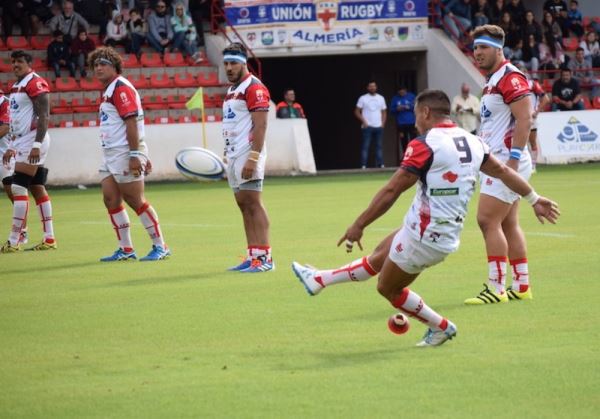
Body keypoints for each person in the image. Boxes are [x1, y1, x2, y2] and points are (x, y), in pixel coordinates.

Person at [291, 90, 559, 347]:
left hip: (425, 237)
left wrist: (359, 225)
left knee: (388, 289)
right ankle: (319, 280)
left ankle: (441, 327)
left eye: (417, 114)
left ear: (426, 112)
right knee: (378, 257)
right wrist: (534, 198)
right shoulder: (473, 141)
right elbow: (502, 172)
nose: (415, 121)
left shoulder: (425, 144)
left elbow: (392, 190)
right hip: (431, 229)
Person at [466, 24, 536, 305]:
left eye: (483, 47)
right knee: (508, 223)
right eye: (475, 48)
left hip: (507, 161)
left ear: (498, 49)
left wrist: (514, 159)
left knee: (486, 220)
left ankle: (496, 289)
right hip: (497, 161)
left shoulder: (510, 77)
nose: (477, 53)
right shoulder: (493, 80)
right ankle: (521, 286)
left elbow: (525, 119)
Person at [88, 46, 170, 261]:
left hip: (124, 152)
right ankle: (126, 249)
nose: (98, 68)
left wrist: (136, 153)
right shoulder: (109, 90)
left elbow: (131, 122)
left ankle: (160, 246)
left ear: (115, 66)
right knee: (110, 199)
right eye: (96, 64)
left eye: (103, 64)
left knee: (135, 200)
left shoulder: (120, 88)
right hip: (110, 153)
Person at [221, 43, 274, 273]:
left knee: (254, 203)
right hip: (234, 156)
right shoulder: (233, 89)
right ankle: (253, 255)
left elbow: (260, 125)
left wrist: (253, 157)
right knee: (243, 205)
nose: (229, 68)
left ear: (244, 63)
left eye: (233, 63)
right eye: (226, 63)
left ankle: (265, 258)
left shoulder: (255, 88)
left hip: (248, 154)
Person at [1, 50, 56, 253]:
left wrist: (36, 145)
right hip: (23, 142)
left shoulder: (35, 83)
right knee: (36, 186)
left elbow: (44, 115)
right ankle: (49, 238)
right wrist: (11, 147)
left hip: (33, 141)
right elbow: (18, 120)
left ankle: (14, 240)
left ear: (30, 64)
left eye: (20, 62)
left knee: (17, 186)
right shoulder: (16, 86)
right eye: (13, 62)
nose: (15, 65)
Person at [519, 65, 550, 172]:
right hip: (518, 117)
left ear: (526, 73)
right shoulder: (514, 85)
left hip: (531, 117)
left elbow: (546, 99)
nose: (521, 74)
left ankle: (533, 166)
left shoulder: (532, 84)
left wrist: (536, 112)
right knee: (520, 142)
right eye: (519, 72)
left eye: (523, 72)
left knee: (532, 142)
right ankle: (523, 165)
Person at [354, 81, 387, 169]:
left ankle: (381, 164)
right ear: (367, 88)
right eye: (370, 86)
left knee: (379, 146)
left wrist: (383, 123)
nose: (372, 88)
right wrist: (364, 122)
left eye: (374, 86)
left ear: (376, 87)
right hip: (367, 127)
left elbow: (384, 112)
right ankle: (363, 165)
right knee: (366, 146)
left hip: (378, 126)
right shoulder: (363, 98)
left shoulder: (381, 98)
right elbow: (357, 111)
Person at [390, 87, 416, 161]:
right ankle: (406, 156)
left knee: (413, 140)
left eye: (403, 92)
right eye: (400, 92)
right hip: (401, 123)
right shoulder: (395, 98)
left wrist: (408, 107)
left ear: (405, 90)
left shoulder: (411, 96)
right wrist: (397, 109)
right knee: (403, 140)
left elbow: (416, 106)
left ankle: (414, 155)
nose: (401, 93)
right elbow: (392, 110)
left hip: (411, 122)